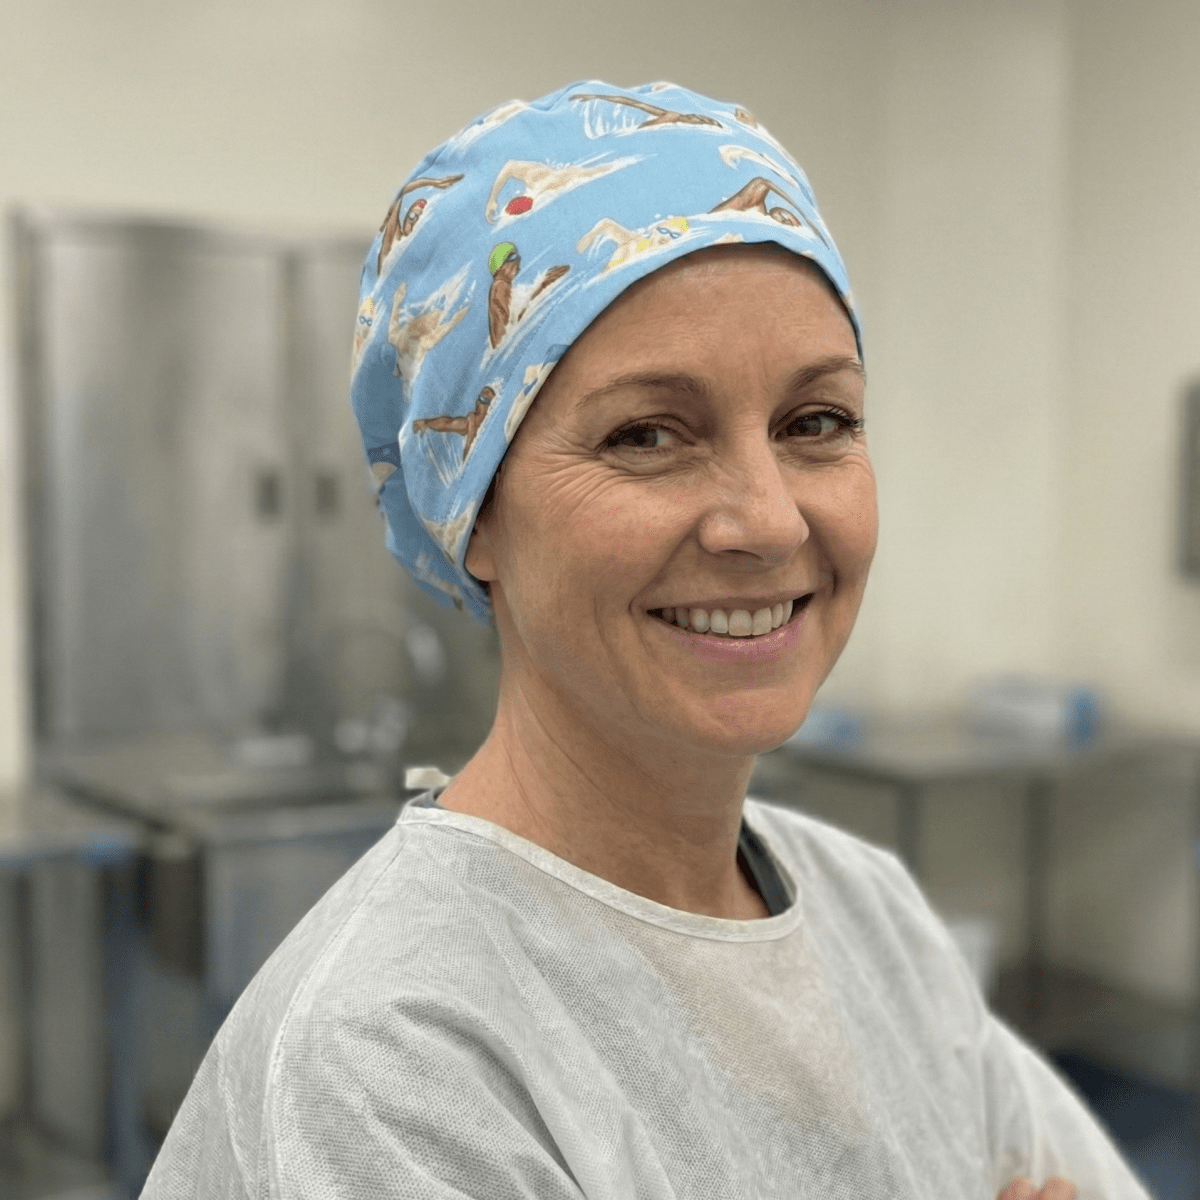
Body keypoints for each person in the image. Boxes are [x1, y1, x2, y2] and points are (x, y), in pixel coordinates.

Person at [142, 81, 1150, 1200]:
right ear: (472, 513)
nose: (768, 521)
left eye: (816, 421)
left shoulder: (873, 916)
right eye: (647, 435)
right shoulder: (393, 1058)